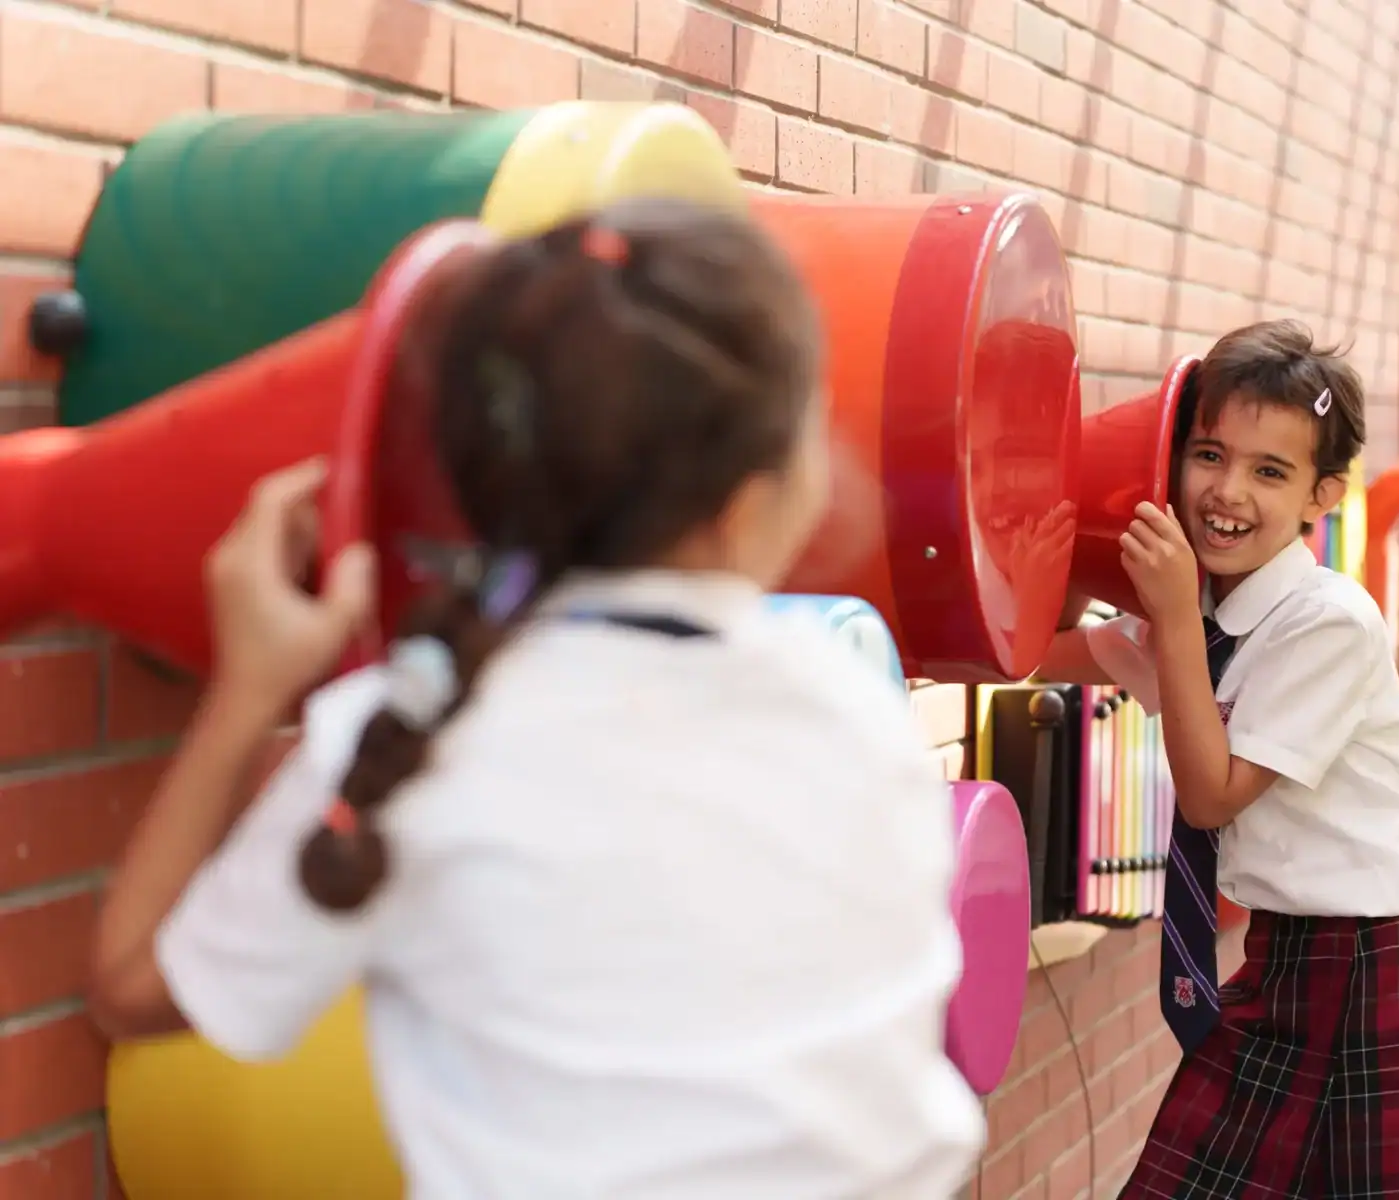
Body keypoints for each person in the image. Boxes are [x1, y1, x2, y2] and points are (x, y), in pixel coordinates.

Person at [87, 201, 986, 1199]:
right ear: (744, 508)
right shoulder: (855, 705)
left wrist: (250, 688)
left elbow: (129, 985)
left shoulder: (411, 740)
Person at [1036, 320, 1399, 1197]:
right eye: (1208, 454)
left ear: (1321, 495)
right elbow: (1039, 649)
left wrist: (1167, 617)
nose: (1227, 491)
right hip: (1287, 962)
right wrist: (1083, 534)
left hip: (1386, 963)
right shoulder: (1193, 622)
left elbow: (1213, 798)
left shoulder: (1327, 621)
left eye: (1269, 471)